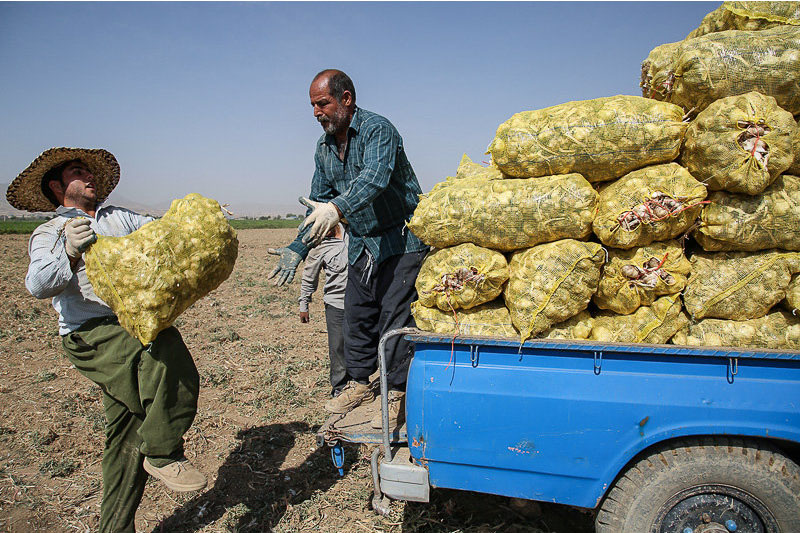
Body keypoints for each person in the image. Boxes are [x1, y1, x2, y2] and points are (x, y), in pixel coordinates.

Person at [7, 147, 206, 533]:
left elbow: (162, 233)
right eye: (79, 172)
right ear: (57, 186)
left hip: (130, 321)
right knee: (164, 348)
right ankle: (164, 453)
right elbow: (38, 285)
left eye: (90, 172)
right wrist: (69, 250)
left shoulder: (119, 218)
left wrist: (198, 219)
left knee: (128, 433)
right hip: (92, 336)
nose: (90, 177)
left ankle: (115, 528)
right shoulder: (50, 232)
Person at [268, 69, 429, 428]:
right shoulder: (323, 148)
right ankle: (359, 385)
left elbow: (375, 178)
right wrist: (297, 246)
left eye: (322, 103)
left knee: (395, 320)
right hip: (362, 243)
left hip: (401, 239)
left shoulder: (378, 130)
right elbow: (318, 202)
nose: (315, 112)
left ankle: (396, 394)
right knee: (357, 318)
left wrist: (337, 209)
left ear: (346, 99)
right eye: (312, 105)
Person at [295, 222, 349, 397]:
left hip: (362, 303)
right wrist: (304, 305)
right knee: (338, 347)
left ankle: (359, 384)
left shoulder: (353, 234)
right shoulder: (320, 248)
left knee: (361, 344)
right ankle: (340, 389)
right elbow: (309, 277)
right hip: (336, 304)